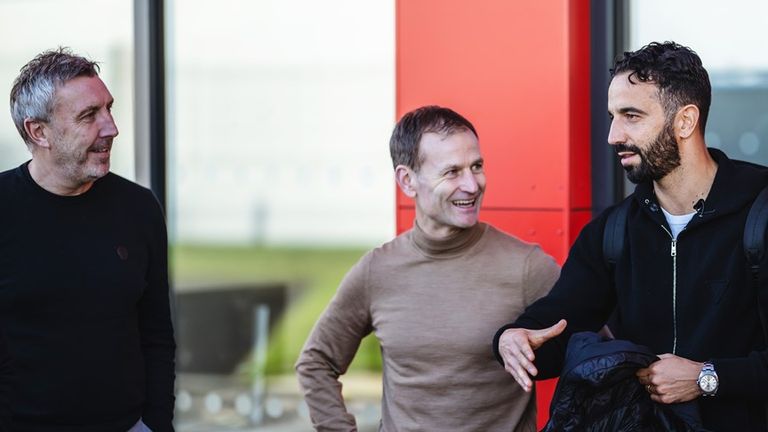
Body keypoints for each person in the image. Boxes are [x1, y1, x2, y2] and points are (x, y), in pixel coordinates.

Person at [493, 41, 768, 431]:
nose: (612, 135)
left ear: (685, 121)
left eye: (631, 116)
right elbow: (556, 324)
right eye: (612, 116)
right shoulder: (614, 231)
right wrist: (512, 339)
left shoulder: (759, 214)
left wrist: (708, 378)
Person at [296, 105, 560, 431]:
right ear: (408, 181)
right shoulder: (376, 270)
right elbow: (316, 362)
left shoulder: (526, 266)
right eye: (452, 172)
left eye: (476, 166)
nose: (472, 185)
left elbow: (600, 356)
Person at [0, 48, 175, 431]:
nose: (111, 127)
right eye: (88, 116)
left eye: (109, 109)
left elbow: (157, 337)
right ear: (38, 132)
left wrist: (158, 425)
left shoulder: (139, 209)